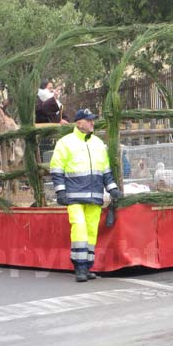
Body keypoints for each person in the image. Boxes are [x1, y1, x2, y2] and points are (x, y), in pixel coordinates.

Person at [50, 108, 123, 282]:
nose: (92, 123)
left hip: (95, 197)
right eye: (89, 120)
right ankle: (80, 268)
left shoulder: (98, 143)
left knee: (91, 233)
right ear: (79, 123)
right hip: (74, 197)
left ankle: (88, 266)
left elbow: (105, 171)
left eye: (93, 120)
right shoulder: (65, 143)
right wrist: (60, 192)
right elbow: (56, 169)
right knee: (80, 230)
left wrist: (112, 189)